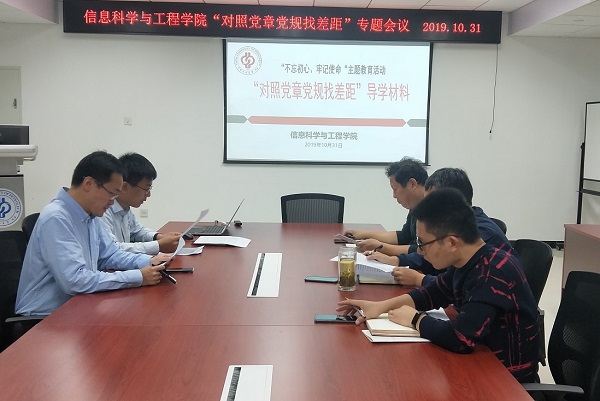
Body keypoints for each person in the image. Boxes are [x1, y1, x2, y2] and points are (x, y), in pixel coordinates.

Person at [338, 188, 539, 383]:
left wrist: (416, 319)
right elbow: (432, 294)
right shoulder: (468, 260)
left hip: (506, 380)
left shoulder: (492, 273)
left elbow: (460, 338)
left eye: (422, 243)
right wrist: (380, 306)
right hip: (482, 362)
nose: (420, 251)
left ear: (451, 243)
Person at [15, 151, 171, 316]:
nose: (112, 201)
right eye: (111, 193)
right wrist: (137, 277)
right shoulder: (56, 218)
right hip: (44, 317)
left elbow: (110, 255)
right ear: (88, 184)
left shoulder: (90, 215)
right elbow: (75, 280)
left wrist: (149, 261)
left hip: (78, 305)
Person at [370, 168, 512, 287]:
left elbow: (454, 284)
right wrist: (398, 260)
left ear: (453, 202)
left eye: (432, 204)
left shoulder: (479, 234)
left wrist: (419, 279)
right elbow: (433, 257)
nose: (428, 210)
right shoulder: (456, 225)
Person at [100, 152, 180, 255]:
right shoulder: (103, 211)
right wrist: (158, 245)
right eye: (146, 189)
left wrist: (158, 237)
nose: (149, 195)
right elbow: (112, 249)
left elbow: (137, 231)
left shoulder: (124, 208)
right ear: (124, 187)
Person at [345, 157, 427, 256]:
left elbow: (421, 250)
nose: (394, 195)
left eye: (395, 189)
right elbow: (404, 236)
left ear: (412, 184)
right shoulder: (416, 205)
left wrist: (381, 247)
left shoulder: (433, 208)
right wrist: (363, 234)